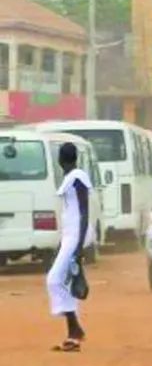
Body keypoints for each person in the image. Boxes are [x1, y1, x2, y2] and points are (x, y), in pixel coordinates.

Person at [47, 142, 93, 352]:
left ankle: (74, 330)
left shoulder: (77, 178)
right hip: (70, 235)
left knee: (55, 280)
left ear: (60, 159)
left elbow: (84, 213)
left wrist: (79, 246)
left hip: (76, 235)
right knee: (60, 280)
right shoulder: (70, 179)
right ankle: (73, 332)